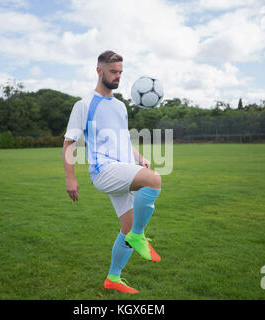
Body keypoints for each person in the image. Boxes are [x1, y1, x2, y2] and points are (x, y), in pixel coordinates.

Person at [62, 50, 162, 294]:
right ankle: (139, 236)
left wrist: (139, 157)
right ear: (99, 71)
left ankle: (113, 278)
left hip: (123, 168)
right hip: (103, 171)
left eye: (120, 73)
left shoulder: (120, 106)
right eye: (113, 72)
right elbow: (69, 143)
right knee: (154, 181)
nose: (117, 77)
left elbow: (123, 140)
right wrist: (70, 178)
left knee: (126, 228)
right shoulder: (84, 105)